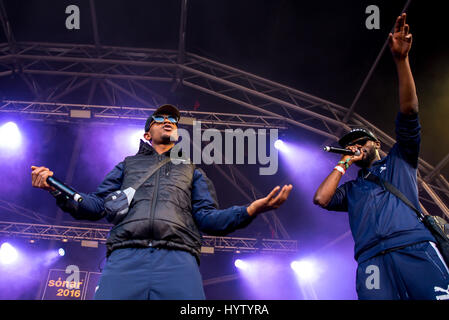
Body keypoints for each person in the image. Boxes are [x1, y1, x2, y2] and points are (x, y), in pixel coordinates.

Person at [31, 103, 292, 300]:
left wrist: (250, 210)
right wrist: (56, 189)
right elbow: (96, 206)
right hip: (125, 257)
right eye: (160, 119)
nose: (168, 121)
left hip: (178, 260)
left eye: (173, 121)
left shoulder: (192, 170)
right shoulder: (127, 166)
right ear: (147, 134)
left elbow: (208, 219)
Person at [313, 13, 449, 300]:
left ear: (375, 143)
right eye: (350, 144)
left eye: (360, 141)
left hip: (414, 247)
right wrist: (343, 161)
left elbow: (409, 112)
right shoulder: (351, 189)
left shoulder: (400, 159)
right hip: (372, 262)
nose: (355, 146)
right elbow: (321, 199)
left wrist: (401, 61)